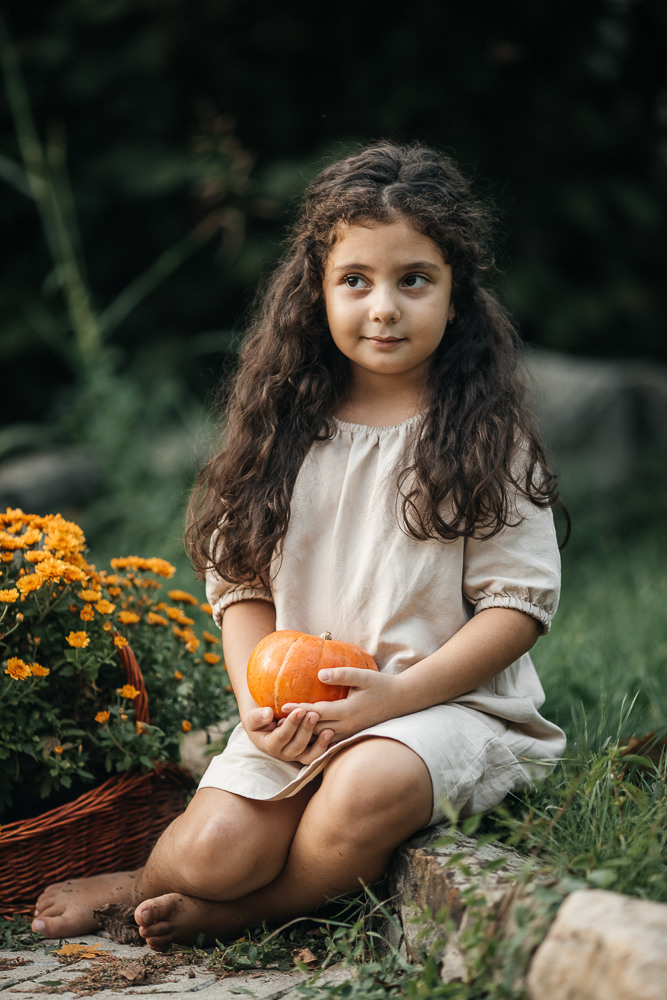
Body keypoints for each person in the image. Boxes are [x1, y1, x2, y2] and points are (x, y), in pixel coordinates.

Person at [32, 140, 566, 950]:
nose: (382, 307)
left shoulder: (484, 438)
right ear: (315, 291)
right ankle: (150, 879)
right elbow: (240, 586)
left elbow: (515, 608)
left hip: (443, 709)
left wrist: (392, 698)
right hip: (298, 711)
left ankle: (250, 913)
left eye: (412, 280)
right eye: (355, 280)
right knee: (212, 852)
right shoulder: (284, 430)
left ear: (456, 297)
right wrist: (255, 703)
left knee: (366, 787)